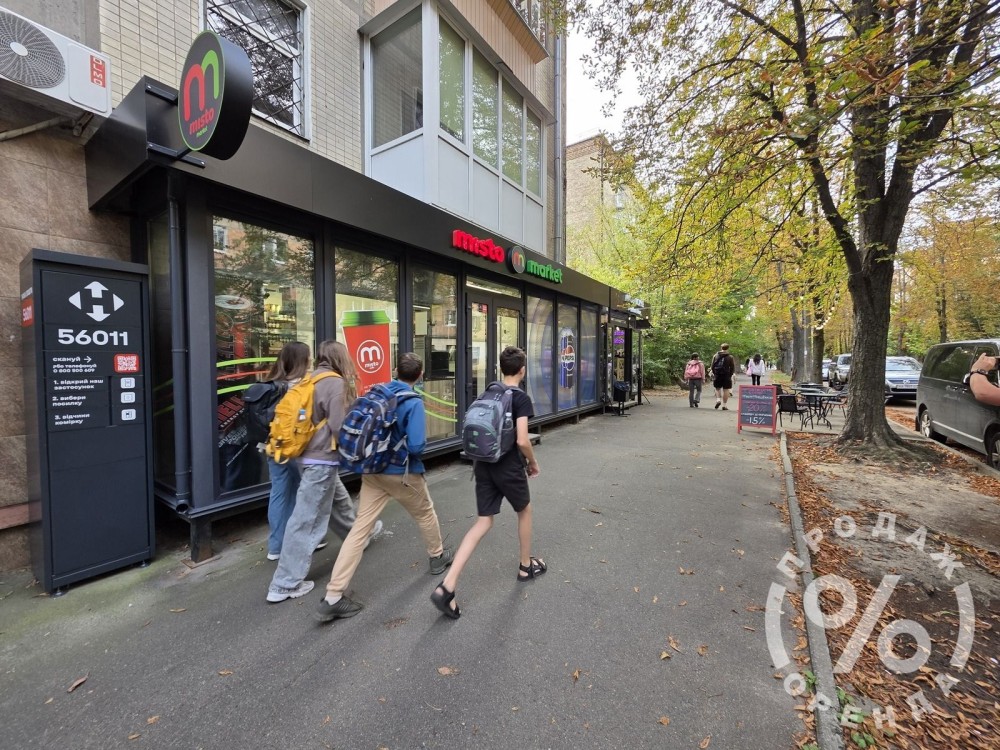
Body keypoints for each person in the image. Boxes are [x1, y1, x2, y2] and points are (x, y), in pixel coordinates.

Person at [315, 353, 454, 622]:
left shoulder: (378, 392)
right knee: (425, 513)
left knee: (360, 529)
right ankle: (437, 557)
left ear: (395, 371)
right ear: (420, 375)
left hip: (372, 472)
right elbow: (416, 446)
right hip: (401, 473)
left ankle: (333, 595)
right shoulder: (412, 402)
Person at [430, 346, 542, 619]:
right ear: (522, 370)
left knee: (483, 521)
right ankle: (525, 566)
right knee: (524, 510)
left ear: (501, 369)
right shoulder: (520, 398)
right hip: (508, 466)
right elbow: (522, 440)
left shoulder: (488, 393)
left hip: (482, 464)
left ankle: (447, 586)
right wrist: (533, 462)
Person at [266, 340, 380, 603]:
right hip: (322, 460)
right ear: (341, 358)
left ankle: (359, 535)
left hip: (306, 456)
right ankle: (284, 583)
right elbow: (339, 426)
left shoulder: (312, 378)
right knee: (306, 520)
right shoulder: (335, 383)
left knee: (338, 501)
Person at [262, 341, 310, 561]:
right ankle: (305, 541)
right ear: (302, 361)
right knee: (304, 495)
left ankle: (276, 546)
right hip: (295, 450)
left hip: (272, 446)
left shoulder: (270, 384)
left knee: (279, 494)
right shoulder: (301, 386)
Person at [709, 343, 737, 410]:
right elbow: (732, 367)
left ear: (721, 348)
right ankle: (724, 405)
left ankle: (718, 400)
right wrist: (730, 374)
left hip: (717, 374)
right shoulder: (730, 357)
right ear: (728, 348)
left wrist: (714, 373)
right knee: (726, 390)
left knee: (717, 388)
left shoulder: (716, 356)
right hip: (726, 375)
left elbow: (712, 366)